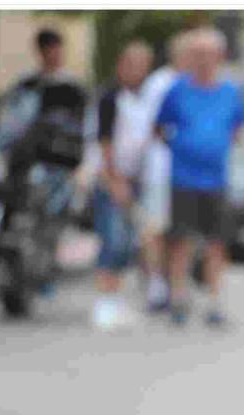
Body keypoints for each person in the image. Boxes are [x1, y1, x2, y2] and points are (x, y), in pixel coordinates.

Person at [155, 27, 244, 327]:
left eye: (208, 54)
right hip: (183, 178)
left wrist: (214, 147)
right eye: (197, 54)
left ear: (220, 56)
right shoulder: (177, 89)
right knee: (180, 241)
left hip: (216, 179)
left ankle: (213, 302)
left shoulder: (230, 91)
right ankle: (179, 299)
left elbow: (238, 130)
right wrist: (182, 147)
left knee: (216, 243)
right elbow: (159, 128)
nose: (203, 59)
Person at [91, 42, 154, 331]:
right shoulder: (110, 97)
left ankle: (115, 301)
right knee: (112, 239)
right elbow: (105, 142)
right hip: (111, 179)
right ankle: (104, 303)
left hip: (134, 180)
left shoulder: (144, 98)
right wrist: (114, 180)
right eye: (131, 64)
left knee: (128, 243)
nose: (136, 71)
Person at [138, 30, 195, 313]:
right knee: (156, 229)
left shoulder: (195, 83)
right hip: (161, 169)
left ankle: (178, 286)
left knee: (182, 232)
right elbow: (151, 127)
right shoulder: (160, 83)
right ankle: (156, 285)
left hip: (189, 173)